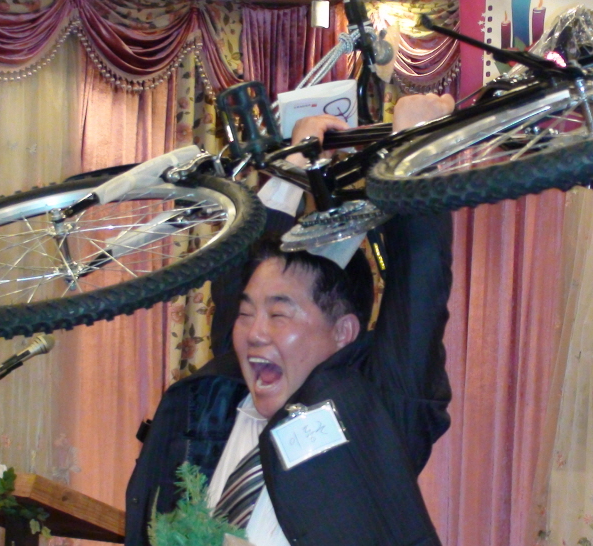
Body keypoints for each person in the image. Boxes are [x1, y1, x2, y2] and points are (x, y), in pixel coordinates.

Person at [124, 93, 456, 546]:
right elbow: (240, 274)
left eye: (280, 314)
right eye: (247, 313)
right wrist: (293, 168)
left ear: (343, 332)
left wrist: (414, 148)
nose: (255, 332)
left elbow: (420, 292)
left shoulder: (376, 417)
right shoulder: (218, 401)